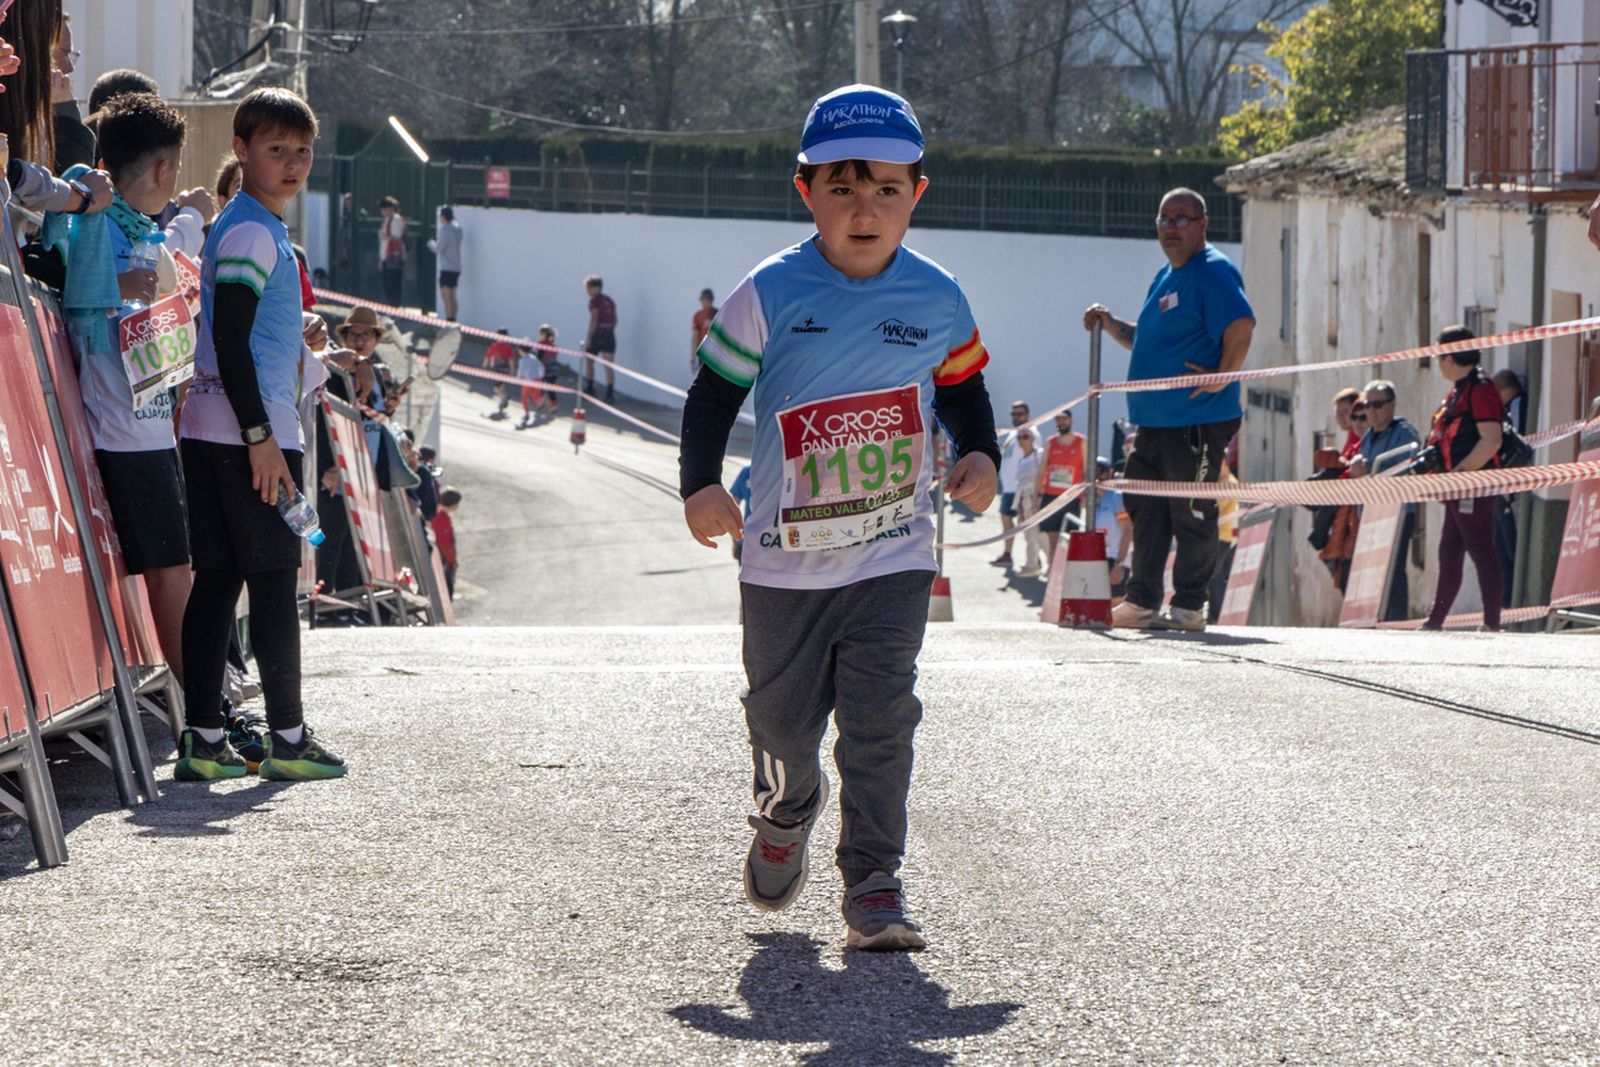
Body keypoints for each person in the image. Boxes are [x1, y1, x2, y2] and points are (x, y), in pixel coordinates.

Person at [677, 84, 1000, 952]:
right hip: (782, 558)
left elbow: (966, 388)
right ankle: (788, 803)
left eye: (886, 189)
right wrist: (700, 484)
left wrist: (982, 456)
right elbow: (713, 392)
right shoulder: (772, 291)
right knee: (781, 721)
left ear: (917, 195)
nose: (866, 208)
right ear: (806, 190)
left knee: (881, 713)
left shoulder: (938, 296)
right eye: (843, 188)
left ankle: (876, 883)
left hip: (892, 554)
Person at [176, 86, 347, 781]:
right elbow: (230, 335)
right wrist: (260, 436)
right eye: (275, 149)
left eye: (302, 150)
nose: (293, 162)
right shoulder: (253, 229)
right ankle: (288, 737)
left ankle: (205, 738)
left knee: (217, 581)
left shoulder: (244, 224)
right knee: (275, 580)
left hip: (210, 427)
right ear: (240, 151)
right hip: (253, 434)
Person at [49, 92, 195, 700]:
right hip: (121, 429)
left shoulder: (147, 235)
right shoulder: (97, 221)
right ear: (163, 169)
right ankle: (204, 707)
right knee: (171, 571)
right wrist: (120, 286)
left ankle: (208, 690)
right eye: (178, 167)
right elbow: (71, 294)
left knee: (180, 568)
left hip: (154, 424)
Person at [1084, 187, 1254, 632]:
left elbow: (1241, 324)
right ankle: (1141, 602)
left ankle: (1189, 606)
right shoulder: (1165, 276)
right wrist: (1109, 323)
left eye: (1182, 219)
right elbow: (1146, 338)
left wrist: (1222, 374)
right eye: (1164, 218)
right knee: (1146, 510)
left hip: (1195, 421)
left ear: (1202, 225)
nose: (1171, 227)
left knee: (1193, 514)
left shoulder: (1213, 271)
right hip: (1154, 422)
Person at [1421, 327, 1505, 631]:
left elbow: (1491, 439)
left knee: (1480, 548)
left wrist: (1460, 474)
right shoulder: (1460, 388)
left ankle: (1492, 623)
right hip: (1458, 485)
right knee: (1450, 550)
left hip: (1472, 484)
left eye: (1440, 354)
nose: (1437, 361)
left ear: (1452, 356)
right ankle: (1434, 622)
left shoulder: (1480, 389)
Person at [1346, 379, 1421, 619]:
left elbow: (1406, 470)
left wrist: (1369, 472)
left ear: (1392, 404)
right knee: (1373, 570)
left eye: (1378, 405)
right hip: (1370, 513)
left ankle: (1396, 620)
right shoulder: (1368, 436)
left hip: (1396, 514)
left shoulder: (1405, 434)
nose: (1371, 411)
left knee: (1393, 570)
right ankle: (1374, 618)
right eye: (1367, 405)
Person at [1034, 409, 1085, 567]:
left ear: (1071, 420)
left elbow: (1087, 470)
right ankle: (1052, 569)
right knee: (1053, 537)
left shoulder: (1081, 442)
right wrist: (1037, 496)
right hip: (1051, 495)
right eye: (1058, 419)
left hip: (1071, 496)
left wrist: (1084, 496)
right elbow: (1042, 469)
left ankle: (1066, 570)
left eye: (1064, 419)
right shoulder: (1051, 442)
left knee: (1069, 537)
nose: (1061, 422)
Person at [991, 400, 1037, 570]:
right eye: (1014, 414)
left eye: (1020, 414)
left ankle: (1032, 559)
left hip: (1020, 488)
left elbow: (1035, 457)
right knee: (1007, 520)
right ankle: (1009, 554)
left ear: (1027, 415)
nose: (1016, 417)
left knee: (1025, 525)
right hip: (1009, 487)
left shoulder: (1030, 433)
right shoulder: (1013, 433)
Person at [1094, 458, 1133, 602]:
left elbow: (1128, 531)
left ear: (1110, 473)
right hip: (1098, 557)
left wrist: (1120, 564)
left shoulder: (1116, 497)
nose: (1098, 476)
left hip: (1115, 557)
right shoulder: (1093, 499)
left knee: (1115, 602)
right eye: (1094, 471)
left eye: (1102, 471)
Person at [1013, 427, 1045, 576]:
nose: (1022, 440)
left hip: (1035, 498)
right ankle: (1032, 564)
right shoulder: (1021, 460)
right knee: (1028, 534)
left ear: (1032, 439)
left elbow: (1043, 475)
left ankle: (1051, 564)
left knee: (1039, 534)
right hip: (1023, 500)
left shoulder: (1039, 455)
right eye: (1019, 437)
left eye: (1025, 437)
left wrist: (1038, 499)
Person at [584, 274, 618, 402]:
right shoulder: (609, 300)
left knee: (589, 360)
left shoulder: (594, 301)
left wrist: (589, 338)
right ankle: (610, 393)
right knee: (608, 364)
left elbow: (594, 319)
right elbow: (615, 320)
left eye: (588, 288)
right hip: (609, 334)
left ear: (594, 287)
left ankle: (590, 387)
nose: (587, 291)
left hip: (598, 334)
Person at [429, 205, 462, 321]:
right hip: (456, 266)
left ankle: (449, 319)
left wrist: (431, 243)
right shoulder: (457, 229)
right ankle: (454, 318)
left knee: (445, 294)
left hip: (447, 267)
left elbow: (439, 248)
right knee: (453, 295)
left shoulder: (444, 230)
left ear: (443, 216)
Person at [377, 194, 406, 306]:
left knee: (394, 284)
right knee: (387, 284)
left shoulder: (396, 220)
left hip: (394, 257)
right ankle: (391, 306)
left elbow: (397, 237)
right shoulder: (387, 221)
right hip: (386, 256)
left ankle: (395, 307)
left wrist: (385, 236)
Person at [433, 486, 460, 598]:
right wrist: (453, 561)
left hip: (442, 558)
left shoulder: (438, 513)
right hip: (444, 560)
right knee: (447, 591)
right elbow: (444, 543)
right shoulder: (442, 518)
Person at [484, 327, 518, 417]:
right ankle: (502, 400)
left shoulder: (494, 346)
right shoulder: (508, 347)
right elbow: (511, 360)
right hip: (505, 369)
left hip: (497, 369)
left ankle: (504, 398)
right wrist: (512, 370)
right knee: (501, 385)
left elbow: (488, 357)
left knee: (496, 387)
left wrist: (485, 365)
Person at [515, 337, 543, 428]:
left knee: (524, 397)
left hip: (528, 381)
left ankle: (527, 413)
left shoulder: (522, 360)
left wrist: (518, 378)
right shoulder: (534, 357)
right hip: (537, 380)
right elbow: (541, 367)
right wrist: (541, 376)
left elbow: (521, 371)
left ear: (520, 350)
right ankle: (540, 404)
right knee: (535, 396)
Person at [535, 323, 561, 416]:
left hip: (545, 369)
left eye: (540, 334)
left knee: (540, 386)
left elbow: (539, 357)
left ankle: (542, 402)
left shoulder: (541, 345)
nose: (539, 336)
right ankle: (553, 406)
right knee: (550, 388)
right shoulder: (553, 345)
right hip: (554, 370)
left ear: (545, 335)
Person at [691, 287, 716, 378]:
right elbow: (694, 338)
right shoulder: (698, 316)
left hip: (713, 353)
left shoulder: (717, 314)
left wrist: (692, 359)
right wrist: (693, 359)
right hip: (705, 354)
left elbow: (694, 338)